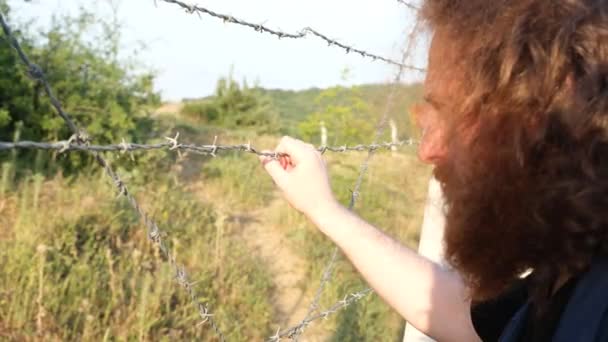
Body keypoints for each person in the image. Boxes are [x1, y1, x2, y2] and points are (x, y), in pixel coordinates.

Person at [260, 0, 608, 341]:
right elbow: (459, 316)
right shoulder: (569, 280)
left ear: (548, 106)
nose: (427, 151)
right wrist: (325, 209)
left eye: (453, 113)